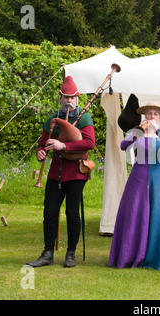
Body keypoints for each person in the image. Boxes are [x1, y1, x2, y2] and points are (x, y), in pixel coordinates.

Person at [27, 76, 95, 268]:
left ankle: (70, 254)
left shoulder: (84, 117)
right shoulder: (53, 119)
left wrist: (63, 145)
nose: (68, 101)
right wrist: (41, 152)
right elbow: (42, 144)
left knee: (72, 213)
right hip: (55, 173)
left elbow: (89, 143)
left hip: (76, 173)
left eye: (72, 98)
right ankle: (47, 253)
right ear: (60, 97)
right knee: (49, 213)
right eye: (65, 97)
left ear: (77, 98)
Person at [108, 102, 160, 270]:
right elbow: (124, 146)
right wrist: (137, 132)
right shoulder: (136, 132)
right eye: (148, 114)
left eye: (155, 114)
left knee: (158, 214)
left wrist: (158, 132)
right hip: (138, 175)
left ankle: (156, 256)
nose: (151, 117)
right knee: (134, 213)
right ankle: (130, 254)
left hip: (158, 176)